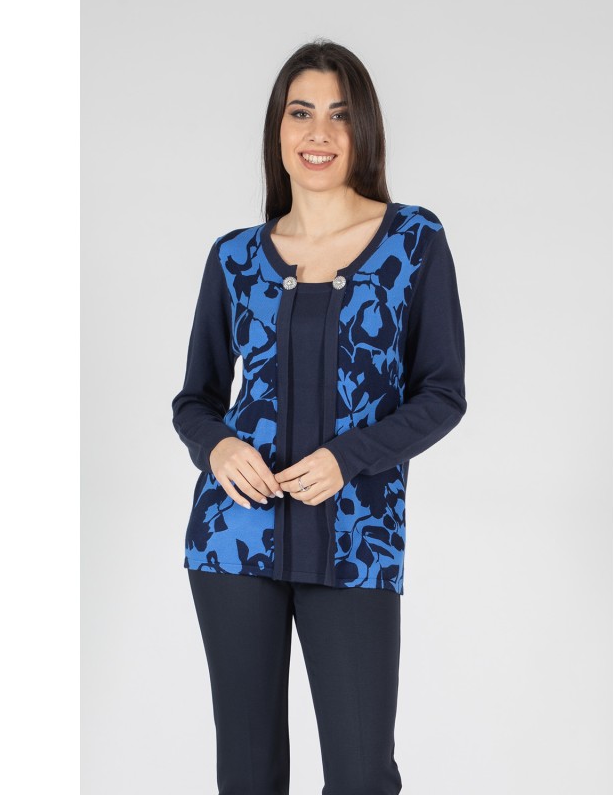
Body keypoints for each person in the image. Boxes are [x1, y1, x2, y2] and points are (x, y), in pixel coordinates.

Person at [171, 39, 467, 795]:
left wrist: (348, 457)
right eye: (301, 113)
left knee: (363, 775)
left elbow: (442, 393)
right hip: (233, 541)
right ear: (278, 129)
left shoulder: (414, 242)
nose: (320, 133)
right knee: (247, 776)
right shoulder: (235, 258)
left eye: (339, 114)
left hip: (357, 539)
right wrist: (218, 448)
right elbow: (195, 400)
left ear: (363, 129)